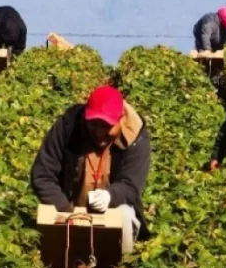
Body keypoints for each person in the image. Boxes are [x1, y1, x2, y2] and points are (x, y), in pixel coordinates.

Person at [31, 86, 150, 252]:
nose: (99, 133)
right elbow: (42, 175)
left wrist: (111, 196)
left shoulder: (136, 137)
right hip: (70, 208)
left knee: (125, 216)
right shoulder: (68, 126)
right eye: (94, 125)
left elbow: (131, 185)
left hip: (113, 211)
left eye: (106, 126)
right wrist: (68, 211)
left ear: (121, 119)